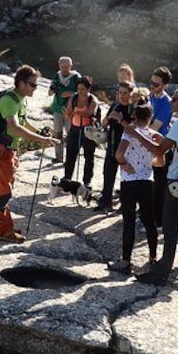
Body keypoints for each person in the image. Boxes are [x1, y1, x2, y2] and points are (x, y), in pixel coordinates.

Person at [124, 85, 178, 282]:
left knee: (170, 226)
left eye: (176, 99)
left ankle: (161, 272)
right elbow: (176, 145)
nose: (172, 102)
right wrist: (162, 139)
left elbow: (159, 151)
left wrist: (136, 134)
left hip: (176, 180)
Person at [0, 65, 60, 243]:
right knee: (3, 192)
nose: (35, 88)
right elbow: (14, 127)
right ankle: (4, 231)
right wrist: (40, 140)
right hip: (1, 151)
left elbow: (23, 122)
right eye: (33, 85)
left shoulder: (20, 99)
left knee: (2, 188)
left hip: (10, 150)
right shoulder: (8, 100)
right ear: (21, 83)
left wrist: (40, 134)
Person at [108, 99, 159, 273]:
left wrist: (123, 164)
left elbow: (119, 153)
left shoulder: (129, 133)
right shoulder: (152, 134)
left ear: (135, 115)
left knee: (128, 221)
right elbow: (159, 157)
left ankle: (126, 261)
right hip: (147, 181)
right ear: (150, 117)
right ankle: (153, 258)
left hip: (129, 182)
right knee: (149, 221)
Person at [96, 80, 134, 213]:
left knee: (126, 177)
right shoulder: (115, 105)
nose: (122, 95)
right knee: (108, 174)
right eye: (120, 92)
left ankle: (126, 205)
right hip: (112, 145)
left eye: (125, 93)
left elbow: (133, 130)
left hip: (126, 149)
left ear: (130, 94)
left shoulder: (132, 109)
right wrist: (107, 119)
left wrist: (120, 119)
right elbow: (104, 123)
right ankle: (105, 202)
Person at [148, 67, 173, 229]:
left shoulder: (167, 103)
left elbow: (154, 126)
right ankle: (147, 214)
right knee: (148, 182)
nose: (152, 86)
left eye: (156, 84)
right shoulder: (151, 97)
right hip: (148, 144)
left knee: (159, 184)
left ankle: (158, 220)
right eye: (151, 83)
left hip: (159, 147)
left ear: (164, 85)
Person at [63, 75, 99, 188]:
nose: (80, 91)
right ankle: (67, 179)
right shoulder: (73, 98)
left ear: (89, 89)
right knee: (70, 155)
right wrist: (69, 114)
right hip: (75, 128)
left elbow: (89, 113)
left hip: (88, 130)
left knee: (89, 156)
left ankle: (87, 181)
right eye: (78, 89)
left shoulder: (92, 100)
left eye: (82, 89)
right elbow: (69, 112)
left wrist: (74, 113)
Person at [47, 56, 80, 164]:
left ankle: (70, 158)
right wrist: (53, 89)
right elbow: (50, 92)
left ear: (71, 66)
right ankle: (59, 157)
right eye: (62, 66)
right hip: (57, 108)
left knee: (70, 134)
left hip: (70, 110)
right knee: (58, 133)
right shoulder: (57, 75)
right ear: (59, 66)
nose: (64, 69)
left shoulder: (76, 77)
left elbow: (83, 93)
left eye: (67, 66)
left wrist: (71, 94)